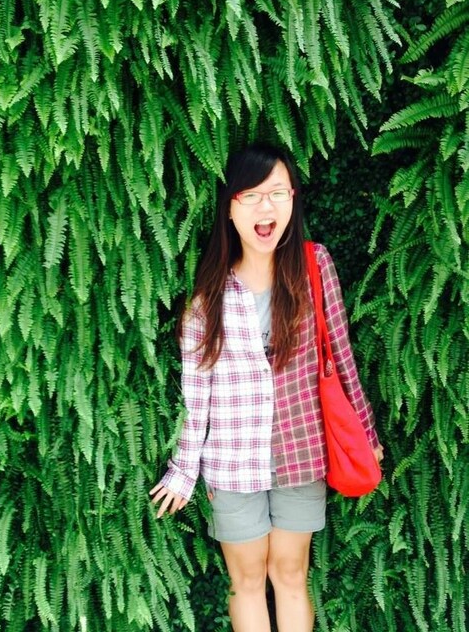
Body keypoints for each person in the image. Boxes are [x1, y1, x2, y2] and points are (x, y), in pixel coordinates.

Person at [149, 142, 383, 632]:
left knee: (291, 575)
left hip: (302, 451)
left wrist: (366, 434)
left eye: (277, 192)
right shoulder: (207, 298)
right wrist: (183, 471)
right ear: (230, 208)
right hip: (232, 461)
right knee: (248, 581)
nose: (266, 207)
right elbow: (197, 395)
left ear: (293, 200)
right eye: (251, 195)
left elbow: (342, 356)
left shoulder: (314, 268)